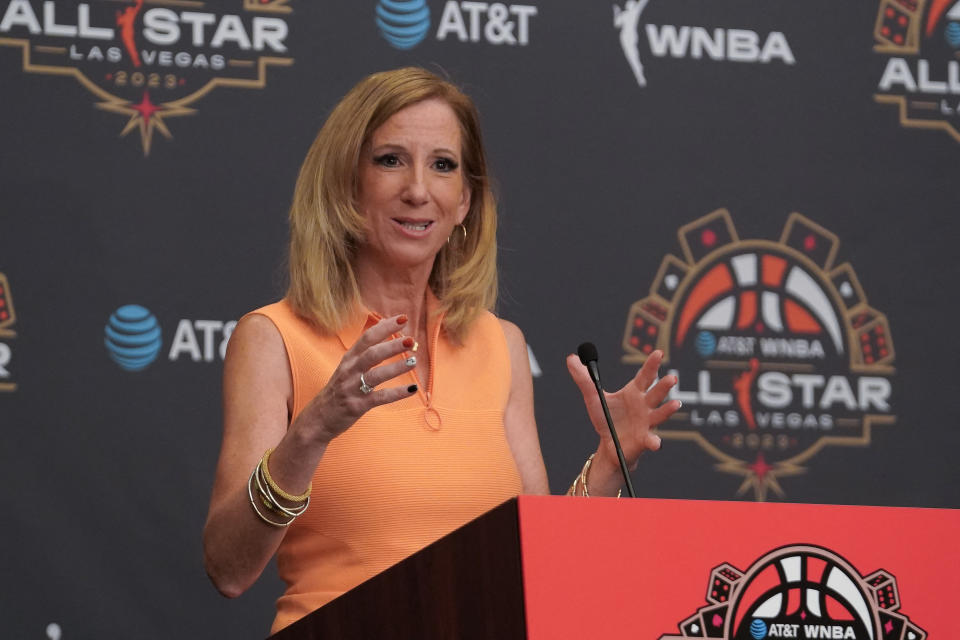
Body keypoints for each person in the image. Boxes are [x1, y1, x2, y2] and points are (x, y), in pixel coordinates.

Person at [202, 67, 680, 633]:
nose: (418, 189)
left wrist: (608, 462)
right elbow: (229, 569)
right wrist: (313, 431)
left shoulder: (500, 344)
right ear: (345, 185)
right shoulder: (274, 337)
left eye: (443, 165)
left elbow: (537, 558)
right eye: (390, 160)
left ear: (465, 203)